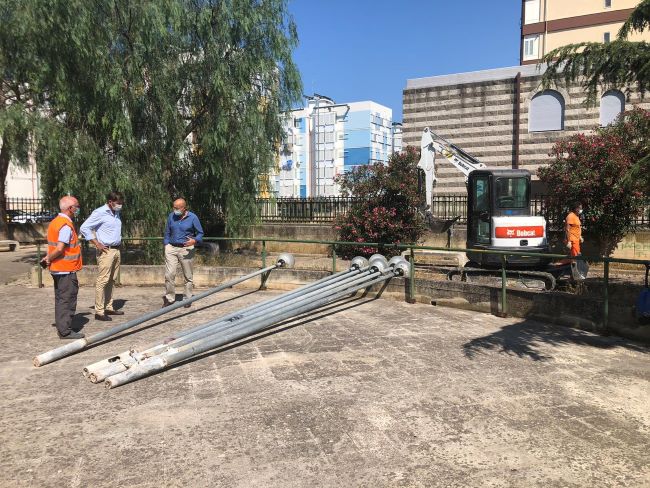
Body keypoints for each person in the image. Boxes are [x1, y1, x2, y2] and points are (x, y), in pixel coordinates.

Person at [41, 196, 84, 340]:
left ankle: (62, 326)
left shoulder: (55, 222)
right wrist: (49, 258)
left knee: (60, 299)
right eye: (77, 206)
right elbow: (59, 248)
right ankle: (65, 331)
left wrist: (48, 259)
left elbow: (52, 246)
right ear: (70, 208)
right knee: (67, 299)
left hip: (57, 268)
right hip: (66, 269)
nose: (78, 208)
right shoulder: (65, 225)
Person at [80, 190, 125, 321]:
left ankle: (109, 307)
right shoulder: (100, 212)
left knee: (112, 280)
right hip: (106, 251)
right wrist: (96, 243)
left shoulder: (116, 213)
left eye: (121, 203)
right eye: (118, 203)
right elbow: (84, 227)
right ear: (110, 202)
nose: (120, 205)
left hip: (116, 250)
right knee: (103, 280)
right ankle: (99, 311)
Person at [163, 198, 204, 308]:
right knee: (169, 274)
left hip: (187, 248)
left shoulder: (193, 217)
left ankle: (187, 298)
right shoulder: (171, 216)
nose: (174, 210)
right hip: (171, 248)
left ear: (184, 208)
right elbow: (167, 232)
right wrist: (166, 244)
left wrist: (194, 240)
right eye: (173, 207)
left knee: (188, 275)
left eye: (176, 208)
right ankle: (169, 298)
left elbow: (200, 233)